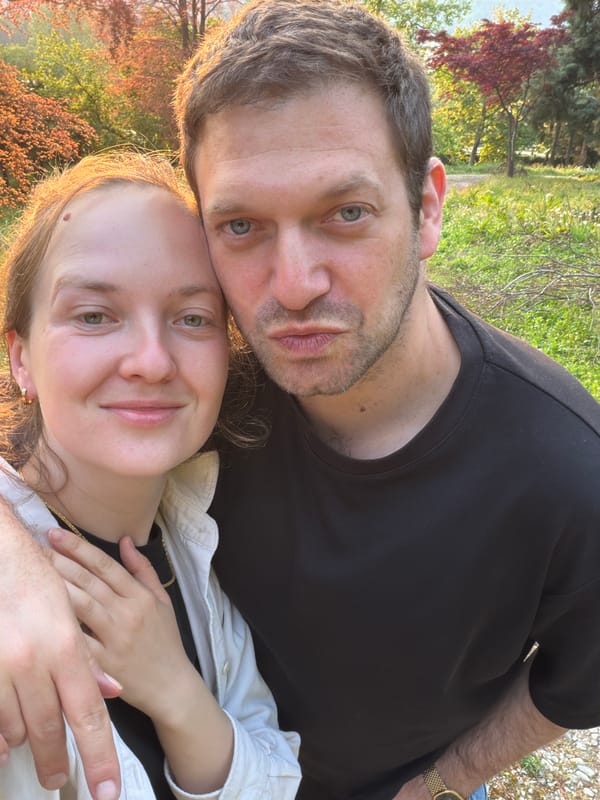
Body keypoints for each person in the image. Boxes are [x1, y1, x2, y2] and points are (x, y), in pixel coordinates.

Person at [1, 1, 600, 799]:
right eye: (243, 225)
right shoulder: (211, 379)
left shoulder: (568, 471)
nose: (292, 287)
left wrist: (441, 785)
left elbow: (575, 682)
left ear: (427, 206)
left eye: (345, 213)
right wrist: (16, 558)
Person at [0, 151, 300, 799]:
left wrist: (176, 692)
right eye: (94, 315)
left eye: (192, 318)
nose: (152, 360)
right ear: (21, 358)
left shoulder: (190, 530)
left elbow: (273, 777)